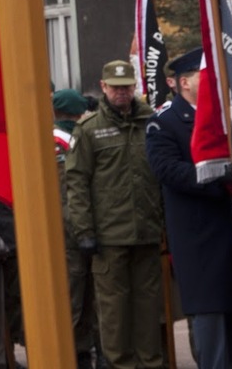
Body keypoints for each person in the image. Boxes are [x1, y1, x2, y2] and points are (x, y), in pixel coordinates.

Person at [146, 48, 232, 369]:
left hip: (231, 229)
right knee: (210, 318)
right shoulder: (165, 122)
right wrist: (219, 175)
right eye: (207, 77)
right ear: (184, 82)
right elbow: (169, 171)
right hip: (197, 235)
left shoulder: (225, 116)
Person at [65, 60, 163, 368]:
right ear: (104, 87)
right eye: (115, 87)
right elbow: (77, 182)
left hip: (147, 231)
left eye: (126, 87)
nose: (121, 93)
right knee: (114, 312)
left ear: (135, 87)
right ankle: (119, 364)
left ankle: (151, 363)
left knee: (149, 310)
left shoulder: (153, 122)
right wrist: (84, 232)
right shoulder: (89, 129)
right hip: (108, 237)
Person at [53, 88, 101, 369]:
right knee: (76, 296)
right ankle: (71, 354)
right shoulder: (62, 141)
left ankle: (82, 352)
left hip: (74, 227)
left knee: (82, 296)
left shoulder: (76, 137)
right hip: (72, 228)